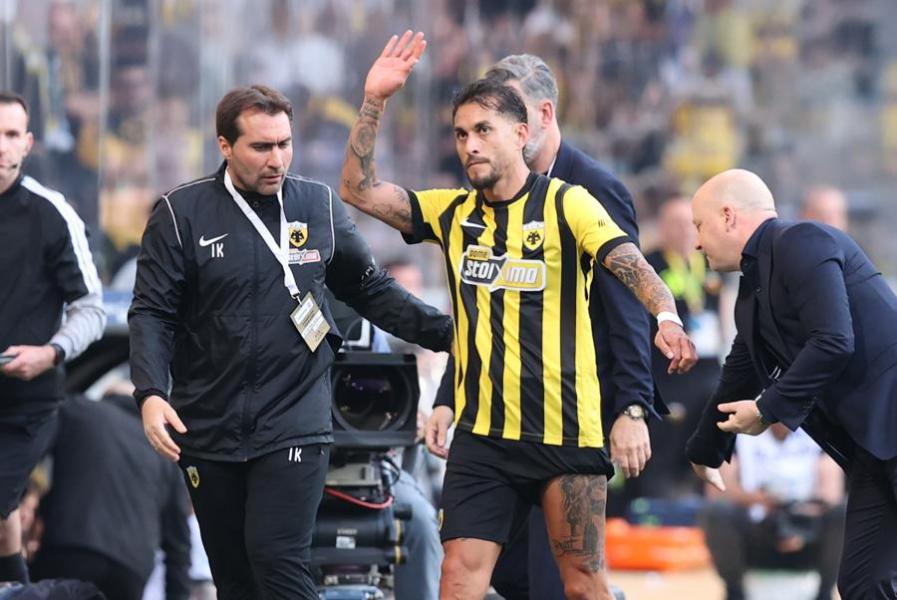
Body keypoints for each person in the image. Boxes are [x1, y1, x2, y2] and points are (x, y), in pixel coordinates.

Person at [340, 32, 696, 600]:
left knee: (582, 586)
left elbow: (630, 266)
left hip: (566, 432)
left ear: (522, 132)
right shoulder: (450, 213)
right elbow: (358, 190)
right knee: (458, 579)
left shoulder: (569, 202)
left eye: (484, 130)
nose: (470, 145)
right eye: (461, 134)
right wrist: (375, 100)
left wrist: (667, 317)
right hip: (483, 439)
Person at [128, 84, 453, 600]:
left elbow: (370, 288)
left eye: (284, 144)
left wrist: (451, 334)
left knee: (276, 558)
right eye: (261, 146)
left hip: (294, 418)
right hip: (207, 423)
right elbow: (151, 313)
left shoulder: (317, 205)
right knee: (235, 579)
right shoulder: (179, 213)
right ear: (225, 145)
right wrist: (150, 393)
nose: (276, 159)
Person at [429, 53, 663, 600]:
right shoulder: (484, 194)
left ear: (540, 115)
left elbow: (626, 306)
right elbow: (482, 307)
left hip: (568, 422)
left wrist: (631, 407)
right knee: (497, 575)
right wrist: (448, 396)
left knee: (559, 583)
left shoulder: (591, 189)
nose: (480, 137)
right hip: (495, 427)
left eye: (501, 113)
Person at [686, 168, 897, 599]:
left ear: (728, 216)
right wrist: (706, 448)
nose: (697, 242)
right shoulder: (753, 289)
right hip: (874, 450)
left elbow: (833, 341)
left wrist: (767, 409)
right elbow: (740, 371)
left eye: (699, 225)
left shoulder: (802, 241)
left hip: (889, 427)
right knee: (863, 583)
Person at [0, 91, 105, 584]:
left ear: (27, 144)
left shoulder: (51, 213)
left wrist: (50, 353)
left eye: (11, 134)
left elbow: (91, 309)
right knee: (4, 519)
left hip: (25, 406)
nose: (1, 146)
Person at [31, 393, 191, 600]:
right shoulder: (163, 455)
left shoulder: (78, 411)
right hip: (131, 570)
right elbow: (178, 544)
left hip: (71, 546)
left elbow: (29, 456)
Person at [636, 194, 724, 498]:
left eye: (690, 224)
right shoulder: (649, 265)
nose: (685, 231)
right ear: (661, 227)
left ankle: (701, 489)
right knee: (668, 431)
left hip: (707, 369)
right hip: (666, 371)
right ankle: (657, 498)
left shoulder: (710, 262)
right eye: (675, 223)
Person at [700, 423, 845, 600]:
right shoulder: (738, 435)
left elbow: (831, 494)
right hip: (756, 528)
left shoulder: (819, 433)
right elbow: (717, 490)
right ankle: (735, 591)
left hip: (806, 526)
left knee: (843, 512)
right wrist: (759, 499)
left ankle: (824, 593)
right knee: (717, 511)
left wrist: (797, 519)